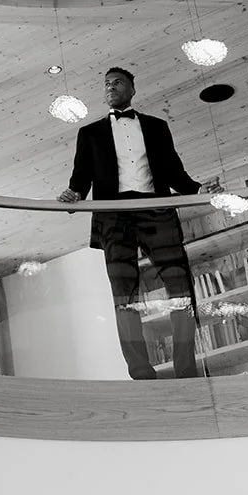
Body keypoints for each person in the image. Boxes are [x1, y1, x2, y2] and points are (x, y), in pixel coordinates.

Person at [58, 67, 220, 380]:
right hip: (114, 218)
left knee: (181, 288)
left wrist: (201, 190)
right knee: (123, 296)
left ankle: (185, 367)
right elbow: (80, 178)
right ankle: (141, 372)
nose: (110, 87)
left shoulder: (157, 127)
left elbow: (175, 173)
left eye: (117, 82)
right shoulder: (89, 133)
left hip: (156, 211)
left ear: (132, 89)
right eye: (106, 84)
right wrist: (73, 195)